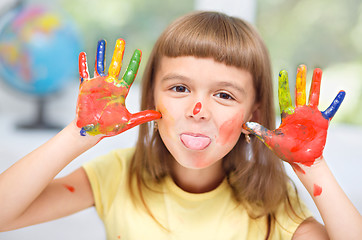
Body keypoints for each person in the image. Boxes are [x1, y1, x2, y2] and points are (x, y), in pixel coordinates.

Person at [0, 11, 361, 240]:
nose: (198, 109)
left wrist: (312, 166)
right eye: (179, 88)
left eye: (224, 95)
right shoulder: (116, 175)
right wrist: (78, 134)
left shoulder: (272, 203)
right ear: (151, 98)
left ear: (255, 113)